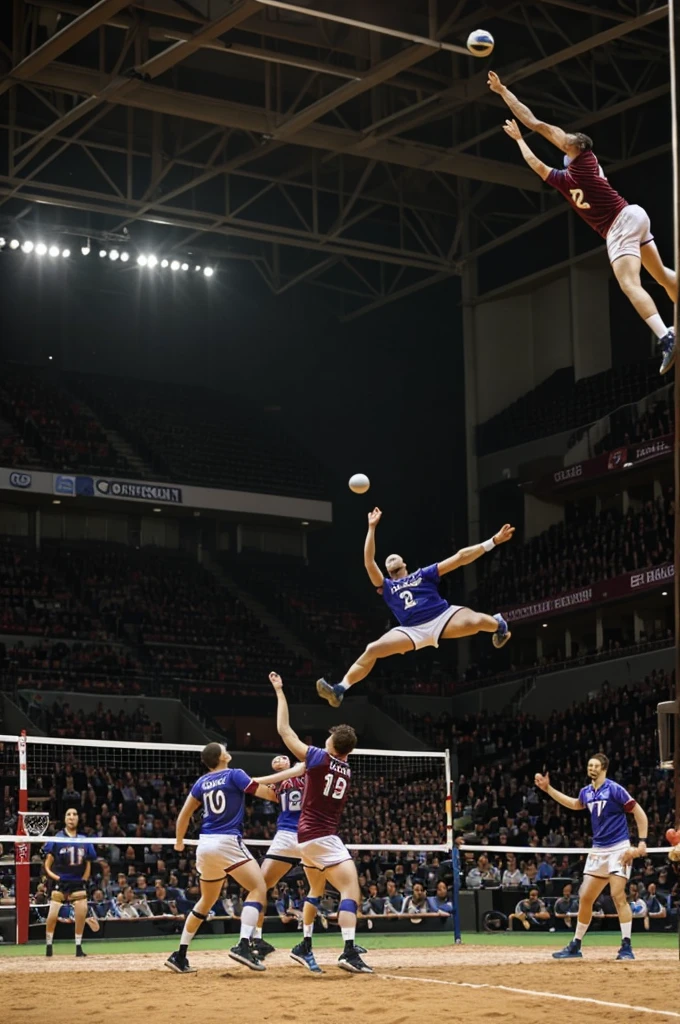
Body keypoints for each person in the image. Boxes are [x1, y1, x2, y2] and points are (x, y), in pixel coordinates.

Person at [488, 70, 677, 374]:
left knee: (630, 285)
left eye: (566, 142)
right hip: (634, 215)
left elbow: (536, 130)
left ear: (575, 147)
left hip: (618, 227)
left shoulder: (580, 161)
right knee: (664, 277)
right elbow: (537, 143)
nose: (562, 141)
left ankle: (666, 336)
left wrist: (508, 105)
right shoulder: (574, 174)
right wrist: (509, 105)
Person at [316, 508, 514, 707]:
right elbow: (368, 562)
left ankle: (499, 626)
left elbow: (460, 558)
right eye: (388, 561)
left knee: (478, 621)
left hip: (442, 616)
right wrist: (371, 527)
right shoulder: (385, 586)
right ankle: (340, 689)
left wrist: (494, 541)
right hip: (411, 630)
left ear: (404, 564)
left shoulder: (423, 574)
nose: (391, 559)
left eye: (395, 557)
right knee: (372, 649)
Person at [269, 669, 372, 973]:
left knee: (315, 890)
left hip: (304, 838)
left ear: (331, 743)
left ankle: (305, 944)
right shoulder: (346, 768)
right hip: (323, 836)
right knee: (351, 890)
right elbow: (342, 745)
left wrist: (279, 691)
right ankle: (349, 951)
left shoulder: (317, 757)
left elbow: (284, 731)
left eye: (329, 736)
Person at [164, 742, 278, 974]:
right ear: (223, 756)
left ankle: (180, 954)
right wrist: (287, 792)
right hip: (226, 842)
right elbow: (265, 793)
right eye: (225, 748)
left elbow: (185, 814)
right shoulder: (235, 774)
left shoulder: (201, 782)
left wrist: (179, 841)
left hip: (204, 845)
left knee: (205, 902)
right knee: (258, 888)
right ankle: (244, 945)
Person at [535, 752, 648, 960]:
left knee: (617, 895)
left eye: (595, 766)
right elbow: (573, 804)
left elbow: (639, 813)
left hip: (618, 849)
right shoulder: (587, 792)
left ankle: (626, 946)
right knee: (585, 897)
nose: (591, 768)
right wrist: (548, 789)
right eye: (589, 765)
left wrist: (641, 842)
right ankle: (576, 945)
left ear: (604, 768)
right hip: (598, 850)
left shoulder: (615, 789)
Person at [43, 807, 98, 958]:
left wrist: (84, 879)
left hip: (77, 883)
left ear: (78, 818)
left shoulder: (84, 840)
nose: (71, 817)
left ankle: (78, 947)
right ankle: (49, 946)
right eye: (68, 814)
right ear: (65, 818)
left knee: (81, 912)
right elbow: (47, 864)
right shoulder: (57, 838)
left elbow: (89, 862)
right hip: (60, 883)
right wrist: (56, 878)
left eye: (74, 814)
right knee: (52, 915)